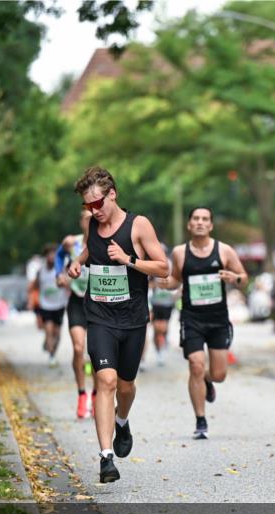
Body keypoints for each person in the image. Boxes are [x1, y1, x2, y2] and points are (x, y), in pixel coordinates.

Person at [67, 166, 169, 483]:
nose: (93, 211)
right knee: (105, 381)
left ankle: (122, 421)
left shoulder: (138, 226)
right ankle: (105, 457)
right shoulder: (93, 226)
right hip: (98, 315)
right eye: (88, 206)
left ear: (113, 195)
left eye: (98, 204)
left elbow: (163, 268)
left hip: (133, 319)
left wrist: (129, 260)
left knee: (125, 386)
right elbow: (90, 247)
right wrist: (77, 262)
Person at [156, 206, 248, 440]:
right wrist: (165, 283)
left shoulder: (224, 250)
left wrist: (234, 278)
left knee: (219, 374)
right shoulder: (180, 252)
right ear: (189, 225)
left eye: (205, 219)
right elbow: (176, 278)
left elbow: (243, 277)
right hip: (192, 318)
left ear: (211, 225)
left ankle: (208, 380)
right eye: (195, 218)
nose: (200, 222)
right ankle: (200, 420)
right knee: (196, 365)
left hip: (217, 319)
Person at [57, 210, 95, 418]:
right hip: (77, 301)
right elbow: (58, 257)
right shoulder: (71, 243)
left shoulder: (103, 240)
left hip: (98, 302)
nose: (89, 220)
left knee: (97, 353)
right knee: (79, 348)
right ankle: (82, 394)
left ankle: (98, 395)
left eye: (93, 217)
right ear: (80, 222)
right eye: (85, 218)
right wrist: (59, 276)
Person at [32, 244, 66, 367]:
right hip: (45, 306)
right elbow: (34, 287)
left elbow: (67, 283)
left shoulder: (60, 269)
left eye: (54, 254)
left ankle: (52, 351)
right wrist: (32, 302)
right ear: (45, 256)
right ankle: (51, 355)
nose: (51, 256)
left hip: (59, 305)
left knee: (57, 334)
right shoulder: (40, 271)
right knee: (49, 330)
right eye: (49, 254)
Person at [149, 248, 177, 367]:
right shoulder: (152, 265)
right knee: (156, 328)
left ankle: (164, 343)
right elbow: (148, 284)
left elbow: (177, 281)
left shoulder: (171, 266)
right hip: (155, 302)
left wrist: (175, 293)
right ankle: (158, 350)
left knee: (164, 327)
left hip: (167, 302)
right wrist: (155, 284)